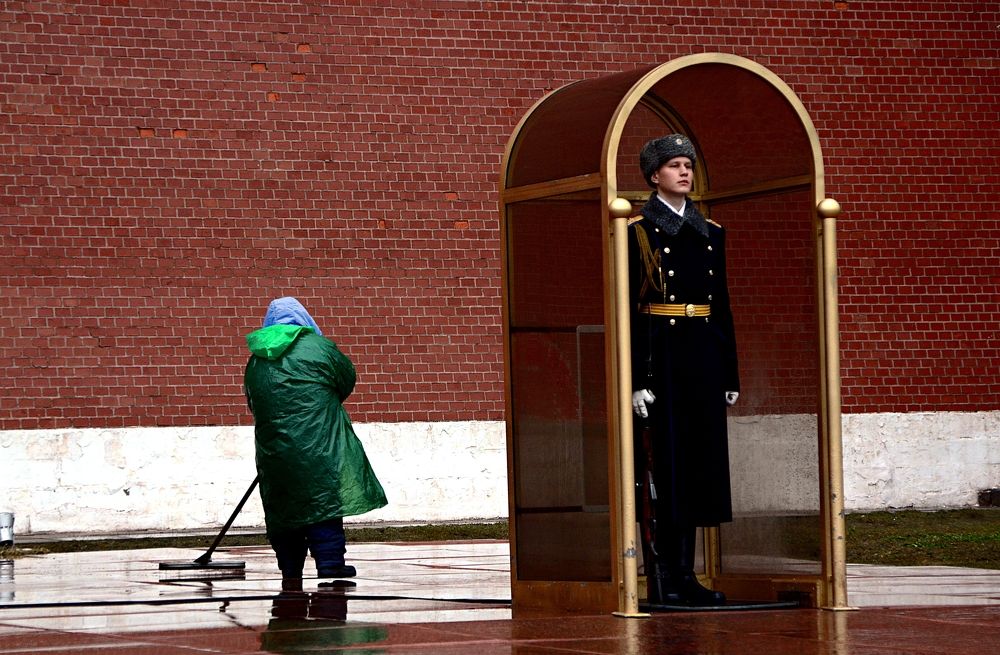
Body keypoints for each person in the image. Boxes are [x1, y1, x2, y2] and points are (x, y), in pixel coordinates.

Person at [628, 134, 740, 607]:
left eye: (688, 165)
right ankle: (663, 575)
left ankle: (686, 575)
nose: (684, 172)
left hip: (702, 360)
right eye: (674, 165)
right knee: (664, 470)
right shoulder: (636, 230)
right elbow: (630, 310)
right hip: (664, 362)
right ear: (655, 176)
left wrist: (729, 374)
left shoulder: (709, 232)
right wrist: (636, 379)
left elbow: (723, 307)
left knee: (697, 470)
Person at [244, 297, 387, 582]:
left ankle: (290, 567)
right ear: (303, 318)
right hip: (320, 442)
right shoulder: (321, 349)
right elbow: (346, 379)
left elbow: (254, 400)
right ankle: (330, 564)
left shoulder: (256, 359)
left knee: (284, 507)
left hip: (275, 449)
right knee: (323, 502)